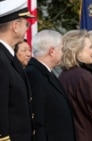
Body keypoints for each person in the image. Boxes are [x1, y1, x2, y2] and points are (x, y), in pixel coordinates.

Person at [25, 30, 76, 141]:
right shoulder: (33, 74)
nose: (63, 53)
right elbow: (37, 120)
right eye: (62, 49)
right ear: (52, 51)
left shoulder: (46, 72)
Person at [0, 0, 35, 140]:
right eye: (26, 23)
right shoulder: (1, 60)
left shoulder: (9, 57)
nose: (27, 27)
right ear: (15, 26)